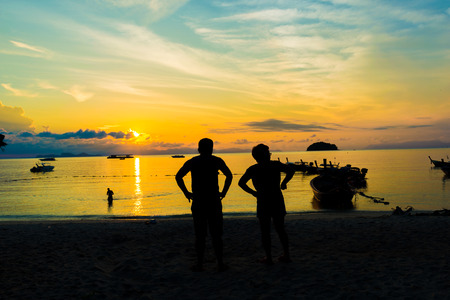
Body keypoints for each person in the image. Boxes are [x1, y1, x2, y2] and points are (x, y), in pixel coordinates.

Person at [176, 138, 233, 271]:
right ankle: (219, 263)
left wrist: (186, 193)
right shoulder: (216, 161)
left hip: (199, 201)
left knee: (200, 235)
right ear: (212, 148)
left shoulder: (193, 162)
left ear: (199, 149)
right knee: (216, 234)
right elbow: (229, 175)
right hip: (213, 201)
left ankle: (200, 264)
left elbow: (178, 176)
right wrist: (223, 192)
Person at [238, 144, 295, 264]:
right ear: (263, 155)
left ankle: (270, 257)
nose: (270, 154)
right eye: (267, 152)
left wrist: (253, 192)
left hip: (264, 200)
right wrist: (284, 183)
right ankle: (285, 255)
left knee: (266, 230)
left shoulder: (254, 169)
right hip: (275, 199)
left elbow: (241, 183)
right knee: (279, 228)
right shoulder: (274, 165)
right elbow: (290, 170)